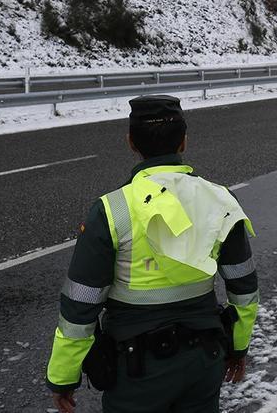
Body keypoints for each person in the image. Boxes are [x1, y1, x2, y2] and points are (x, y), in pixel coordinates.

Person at [45, 95, 259, 413]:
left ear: (131, 142)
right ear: (184, 141)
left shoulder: (112, 209)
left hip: (137, 369)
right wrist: (238, 349)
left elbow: (81, 305)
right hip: (205, 358)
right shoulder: (220, 200)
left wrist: (63, 377)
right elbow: (244, 290)